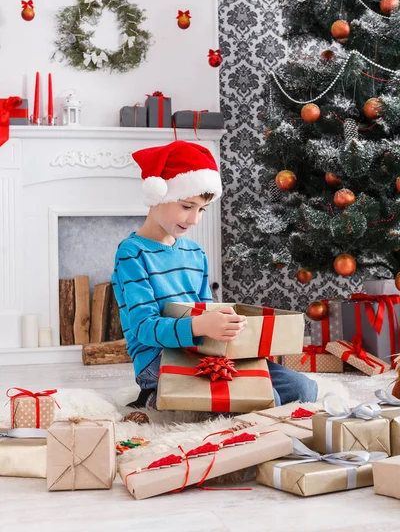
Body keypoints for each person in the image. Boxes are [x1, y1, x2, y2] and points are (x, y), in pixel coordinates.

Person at [111, 140, 317, 410]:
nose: (194, 219)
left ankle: (187, 400)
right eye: (187, 206)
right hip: (158, 359)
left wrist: (226, 328)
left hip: (202, 352)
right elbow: (143, 329)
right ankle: (156, 396)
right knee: (266, 400)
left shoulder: (194, 252)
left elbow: (207, 309)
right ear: (158, 196)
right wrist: (201, 327)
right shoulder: (132, 253)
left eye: (201, 210)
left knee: (304, 389)